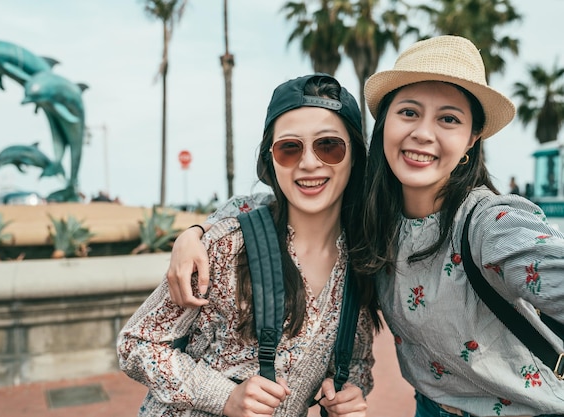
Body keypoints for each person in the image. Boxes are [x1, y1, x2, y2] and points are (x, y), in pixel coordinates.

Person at [164, 36, 564, 416]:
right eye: (408, 112)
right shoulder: (373, 222)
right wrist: (197, 231)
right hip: (429, 408)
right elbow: (272, 203)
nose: (423, 133)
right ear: (384, 122)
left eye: (449, 118)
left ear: (472, 139)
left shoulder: (491, 223)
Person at [118, 73, 378, 417]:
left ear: (356, 156)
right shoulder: (227, 245)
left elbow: (356, 360)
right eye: (289, 148)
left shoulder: (362, 262)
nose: (309, 163)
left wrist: (346, 394)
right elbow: (136, 344)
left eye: (329, 146)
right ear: (271, 159)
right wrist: (222, 395)